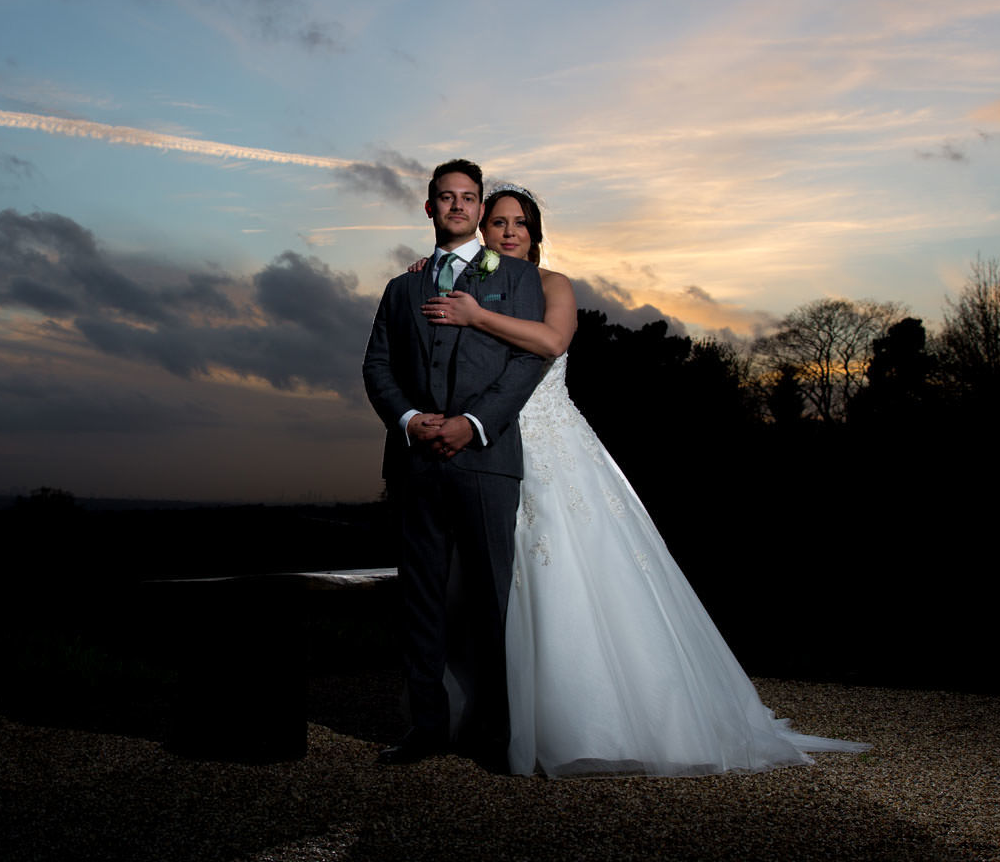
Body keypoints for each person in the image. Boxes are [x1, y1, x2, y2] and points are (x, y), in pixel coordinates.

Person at [418, 182, 871, 776]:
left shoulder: (552, 286)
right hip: (489, 442)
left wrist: (476, 315)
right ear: (482, 230)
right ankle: (485, 718)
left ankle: (595, 720)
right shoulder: (467, 281)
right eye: (498, 221)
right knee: (487, 581)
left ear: (534, 234)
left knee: (571, 572)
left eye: (520, 222)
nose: (508, 230)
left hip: (554, 444)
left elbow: (553, 341)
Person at [362, 159, 548, 768]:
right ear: (430, 207)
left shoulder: (518, 278)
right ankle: (426, 727)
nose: (459, 207)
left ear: (479, 206)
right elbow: (377, 366)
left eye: (470, 198)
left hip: (487, 461)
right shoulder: (401, 287)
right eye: (447, 197)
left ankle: (496, 732)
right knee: (420, 597)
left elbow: (529, 361)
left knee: (493, 599)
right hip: (415, 463)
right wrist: (411, 421)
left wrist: (472, 425)